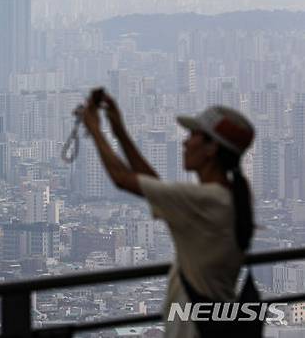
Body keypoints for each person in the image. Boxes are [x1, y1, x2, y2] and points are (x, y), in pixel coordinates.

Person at [79, 88, 255, 338]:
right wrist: (118, 132)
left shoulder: (206, 200)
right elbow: (156, 187)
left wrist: (94, 128)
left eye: (194, 135)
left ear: (211, 149)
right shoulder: (225, 198)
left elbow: (122, 178)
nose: (185, 141)